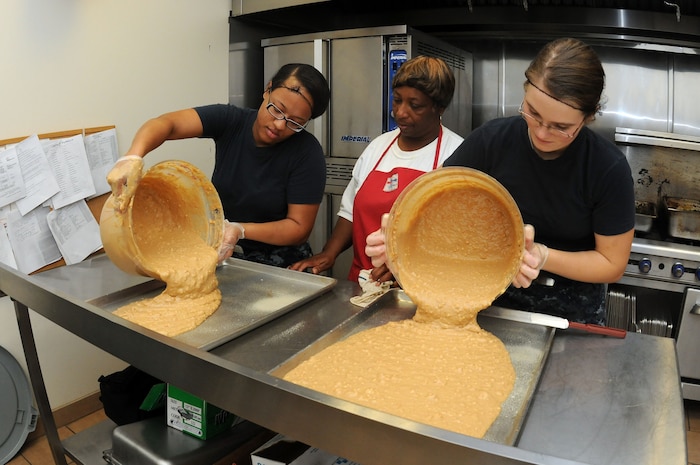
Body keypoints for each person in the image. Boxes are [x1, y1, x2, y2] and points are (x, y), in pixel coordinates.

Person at [366, 38, 635, 325]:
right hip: (488, 304)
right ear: (525, 91)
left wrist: (541, 256)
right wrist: (397, 239)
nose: (542, 132)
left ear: (589, 117)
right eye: (533, 112)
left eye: (561, 127)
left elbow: (611, 264)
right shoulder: (492, 140)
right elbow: (429, 200)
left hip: (572, 316)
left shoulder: (607, 168)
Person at [107, 63, 330, 268]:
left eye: (295, 122)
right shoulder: (231, 121)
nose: (280, 124)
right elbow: (167, 124)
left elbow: (298, 227)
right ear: (267, 90)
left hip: (282, 264)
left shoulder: (307, 153)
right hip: (228, 254)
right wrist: (132, 158)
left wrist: (240, 230)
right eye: (277, 109)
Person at [289, 56, 463, 283]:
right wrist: (329, 253)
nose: (401, 112)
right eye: (397, 100)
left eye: (415, 105)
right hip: (363, 285)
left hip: (421, 289)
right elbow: (350, 211)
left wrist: (404, 266)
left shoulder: (457, 155)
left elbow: (457, 239)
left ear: (439, 107)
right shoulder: (378, 147)